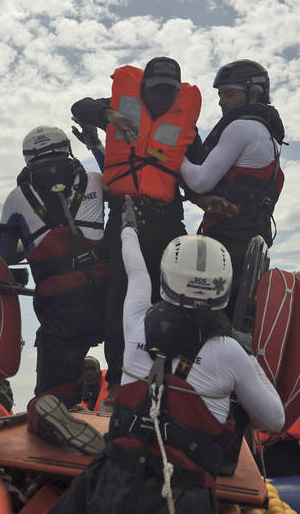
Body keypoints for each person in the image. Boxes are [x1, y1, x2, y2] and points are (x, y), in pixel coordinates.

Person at [54, 199, 284, 514]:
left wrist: (128, 227)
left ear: (167, 278)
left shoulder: (136, 321)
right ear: (223, 287)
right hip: (182, 497)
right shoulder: (230, 352)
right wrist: (250, 357)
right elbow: (275, 419)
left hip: (112, 483)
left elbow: (135, 268)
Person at [71, 57, 203, 403]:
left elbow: (200, 171)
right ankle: (118, 381)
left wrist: (213, 200)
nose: (162, 97)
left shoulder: (186, 122)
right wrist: (109, 117)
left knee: (170, 299)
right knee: (121, 298)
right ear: (143, 87)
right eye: (156, 89)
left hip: (167, 218)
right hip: (125, 216)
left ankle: (164, 381)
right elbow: (79, 107)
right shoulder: (118, 107)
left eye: (169, 91)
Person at [0, 126, 107, 453]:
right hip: (108, 296)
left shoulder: (17, 199)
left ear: (27, 159)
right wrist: (96, 144)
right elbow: (124, 178)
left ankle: (52, 406)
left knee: (52, 389)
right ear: (68, 149)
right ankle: (120, 400)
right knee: (125, 351)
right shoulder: (96, 180)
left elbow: (2, 256)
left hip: (60, 307)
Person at [178, 60, 285, 316]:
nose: (221, 101)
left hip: (228, 241)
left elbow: (200, 181)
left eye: (229, 93)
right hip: (251, 239)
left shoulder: (242, 127)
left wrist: (170, 152)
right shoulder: (269, 137)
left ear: (254, 94)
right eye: (219, 94)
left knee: (206, 319)